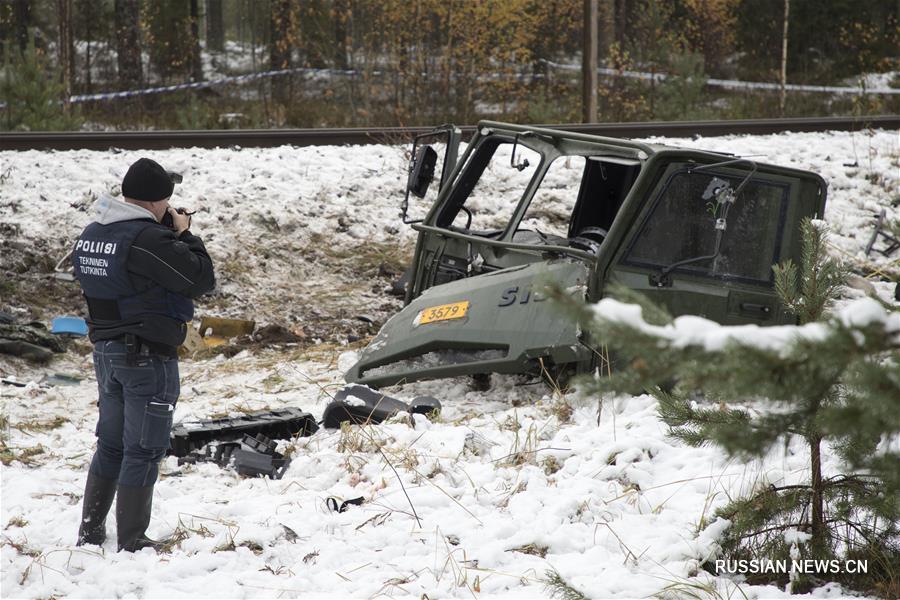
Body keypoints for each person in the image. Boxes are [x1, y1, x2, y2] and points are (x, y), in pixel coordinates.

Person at [73, 157, 215, 551]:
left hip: (106, 353)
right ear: (157, 202)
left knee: (111, 445)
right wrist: (185, 235)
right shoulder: (148, 239)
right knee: (144, 448)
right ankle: (133, 540)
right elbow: (200, 278)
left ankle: (90, 531)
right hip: (146, 359)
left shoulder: (93, 232)